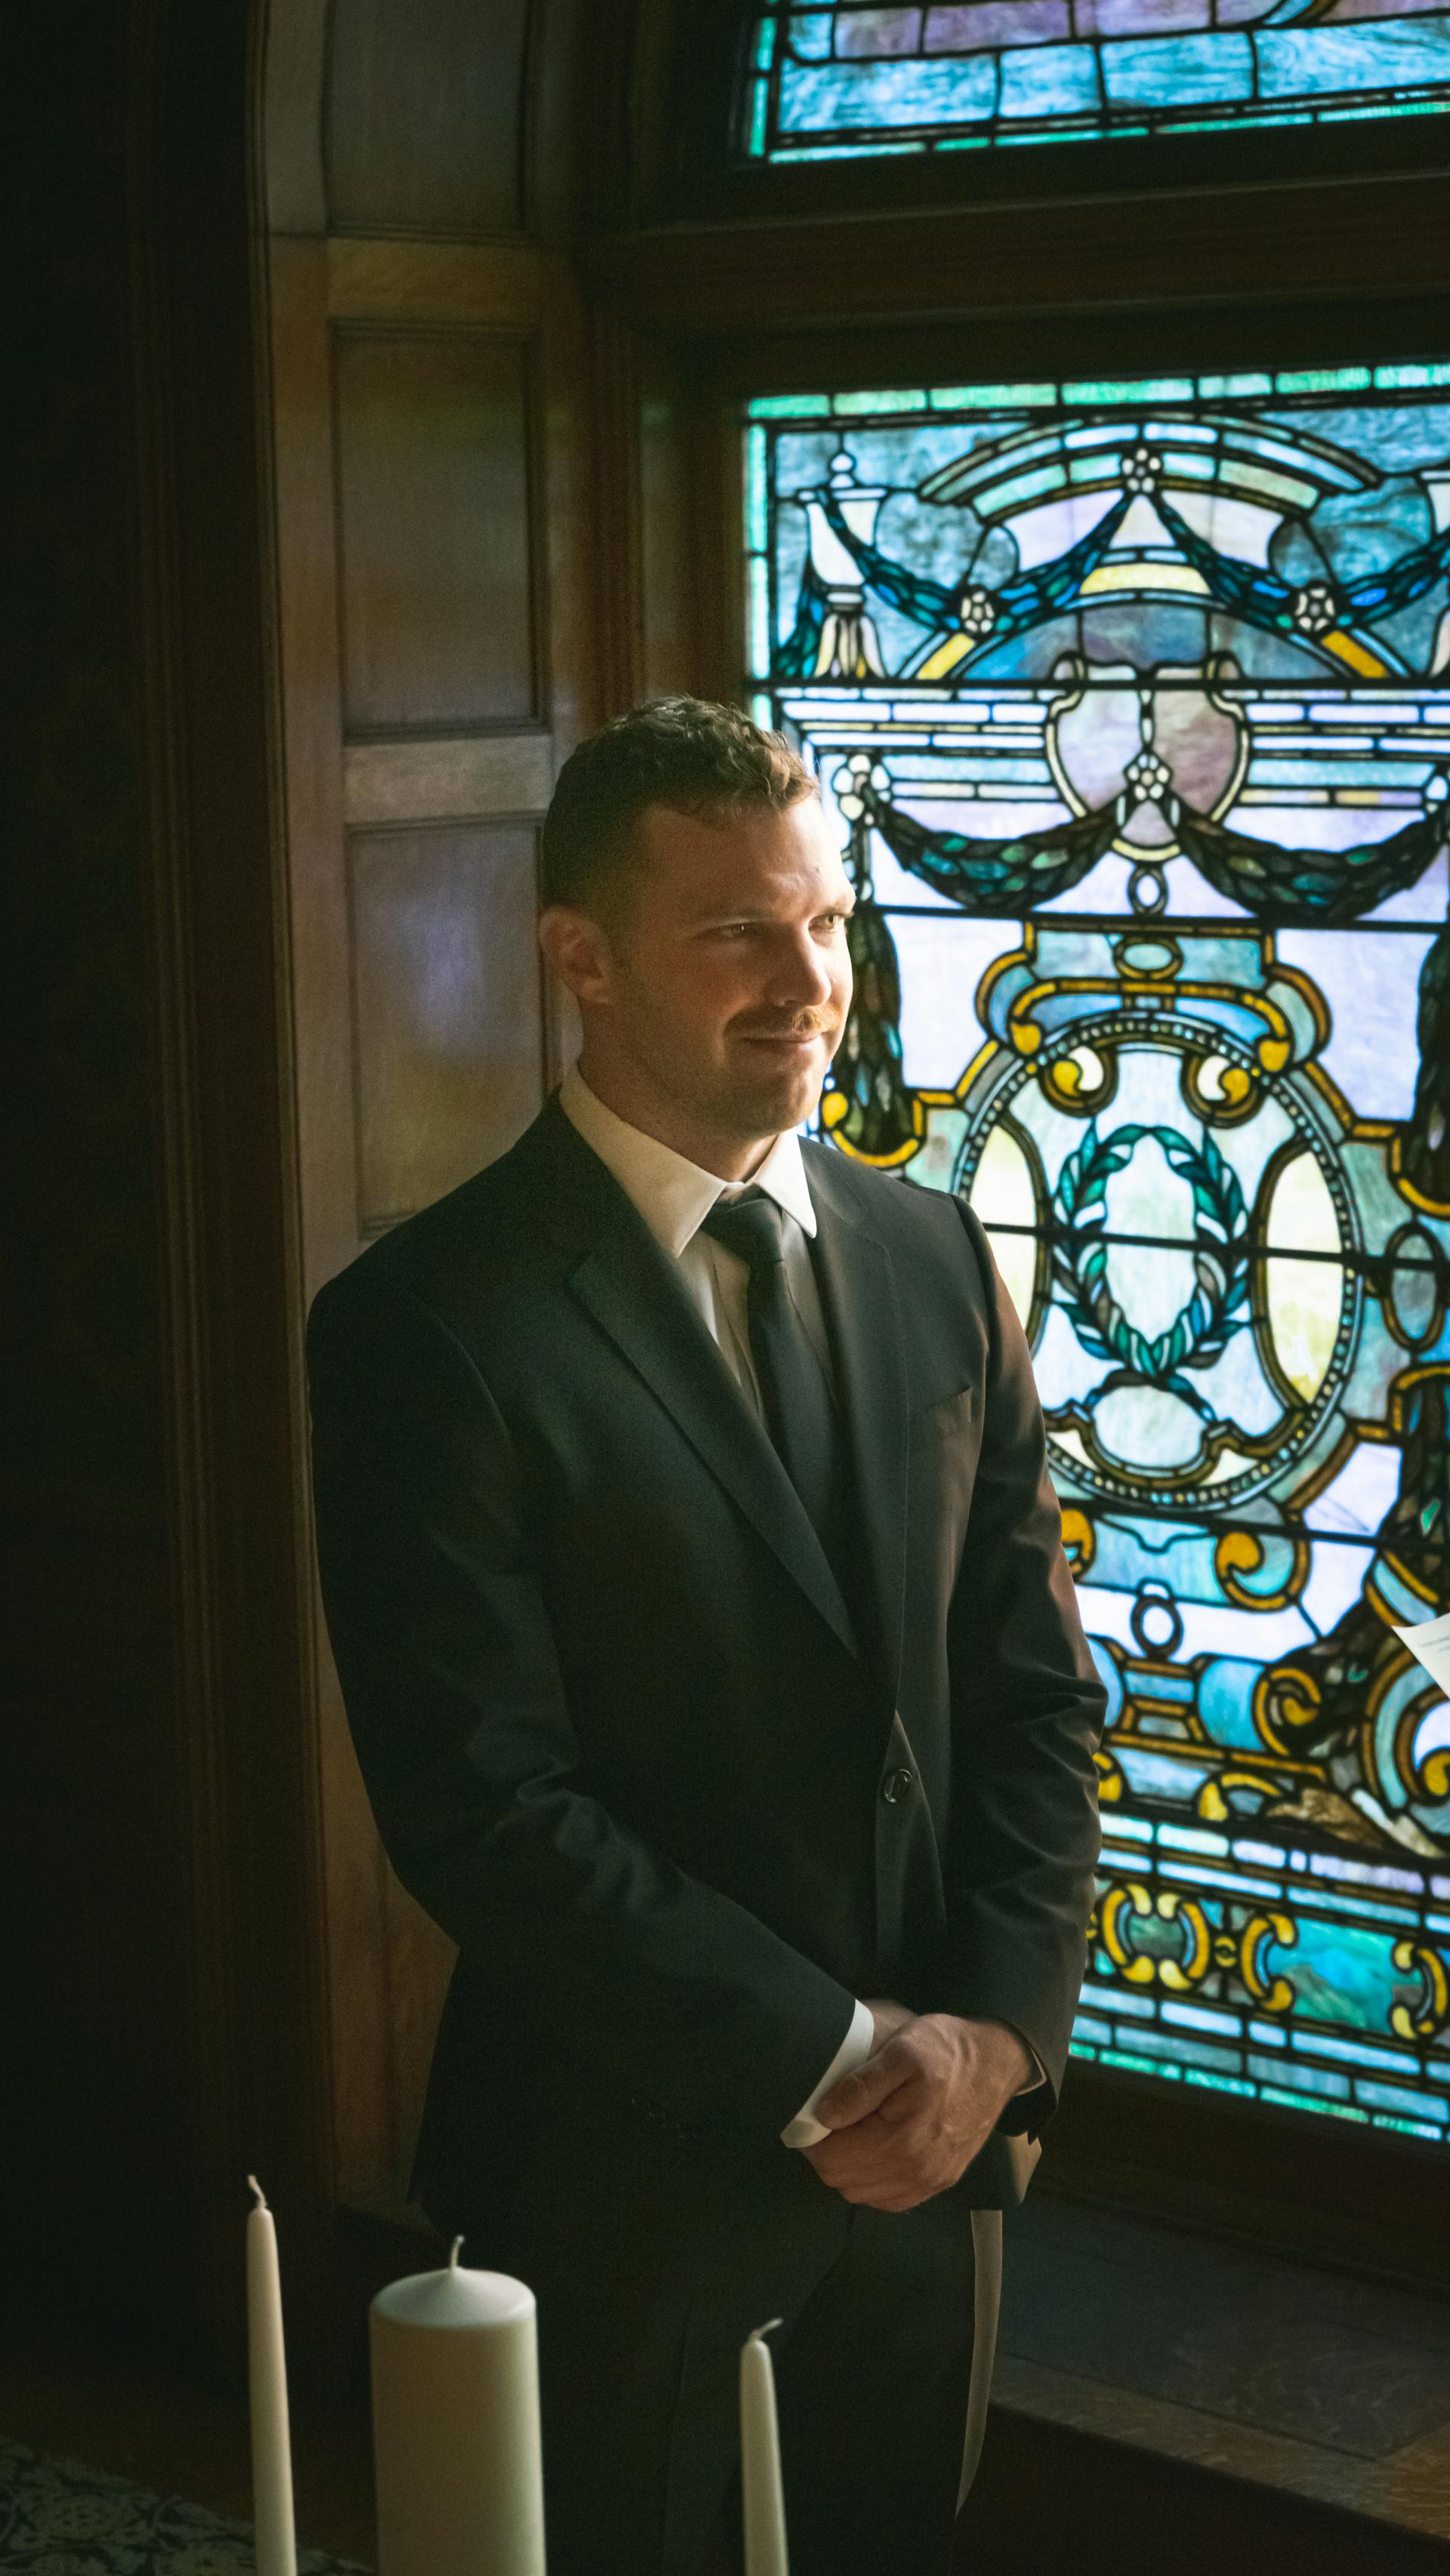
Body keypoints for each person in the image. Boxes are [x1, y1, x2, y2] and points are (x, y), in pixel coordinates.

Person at [307, 698, 1106, 2576]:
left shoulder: (936, 1258)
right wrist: (838, 2055)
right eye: (736, 930)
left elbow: (1036, 1698)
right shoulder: (431, 1327)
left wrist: (990, 2038)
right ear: (577, 956)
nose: (810, 979)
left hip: (935, 2179)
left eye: (825, 922)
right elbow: (486, 1806)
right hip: (623, 2181)